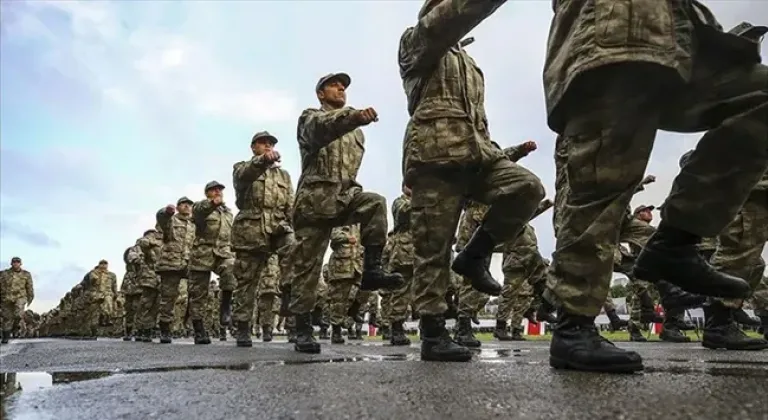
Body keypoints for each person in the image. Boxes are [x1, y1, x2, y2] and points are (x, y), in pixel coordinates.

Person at [543, 1, 767, 372]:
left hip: (680, 50)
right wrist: (431, 37)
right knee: (603, 185)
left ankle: (676, 243)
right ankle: (573, 326)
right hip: (608, 43)